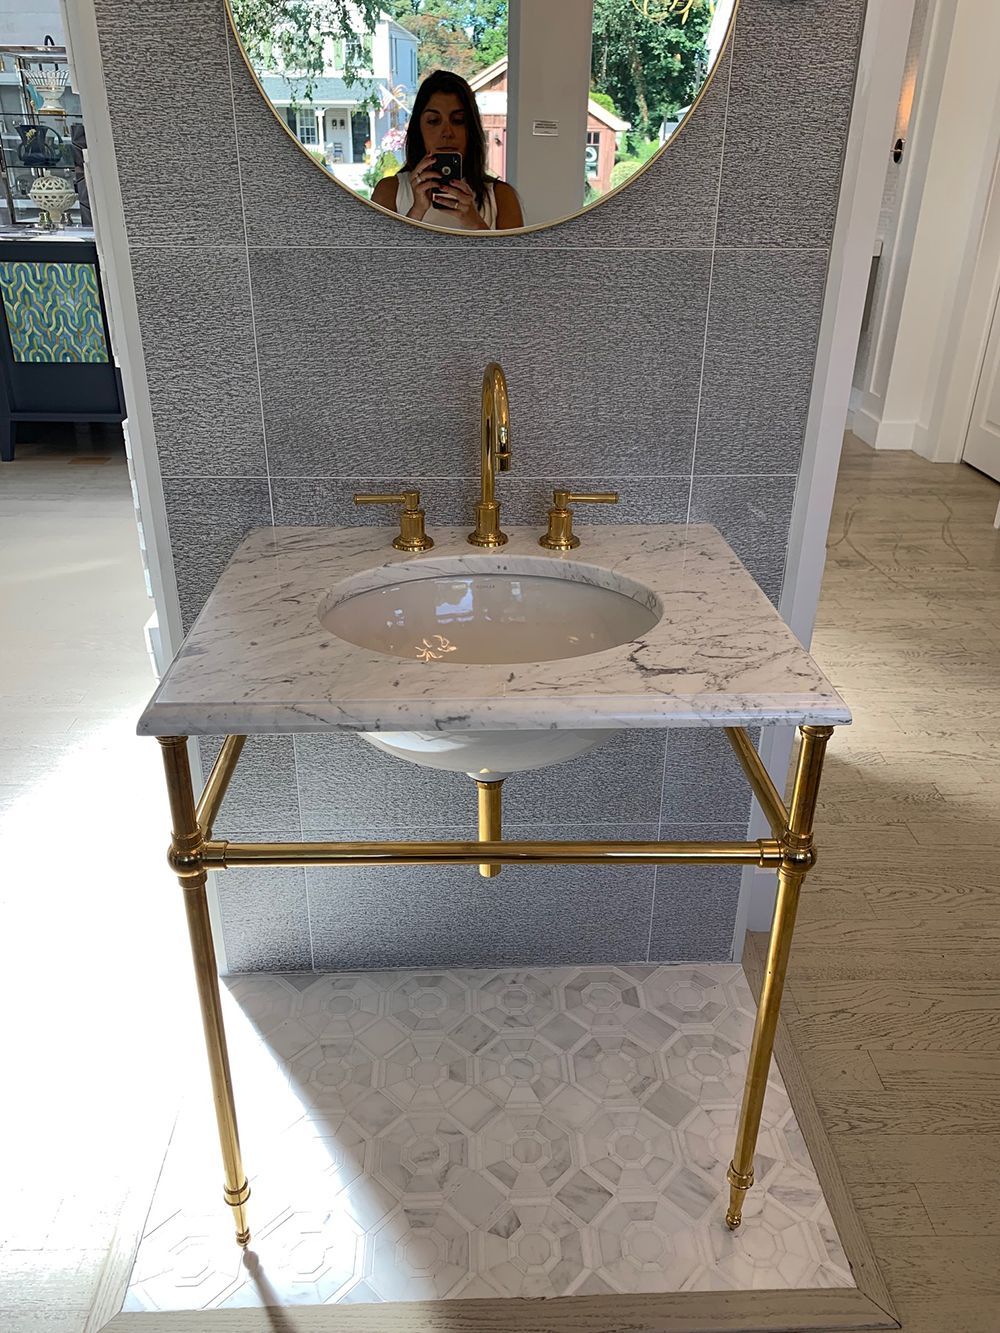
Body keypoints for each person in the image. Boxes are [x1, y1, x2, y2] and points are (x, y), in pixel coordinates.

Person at [373, 69, 523, 231]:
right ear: (419, 129)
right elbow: (375, 256)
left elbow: (513, 257)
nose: (447, 132)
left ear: (471, 130)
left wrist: (475, 223)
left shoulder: (501, 197)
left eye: (458, 120)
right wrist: (416, 211)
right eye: (433, 120)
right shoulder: (390, 191)